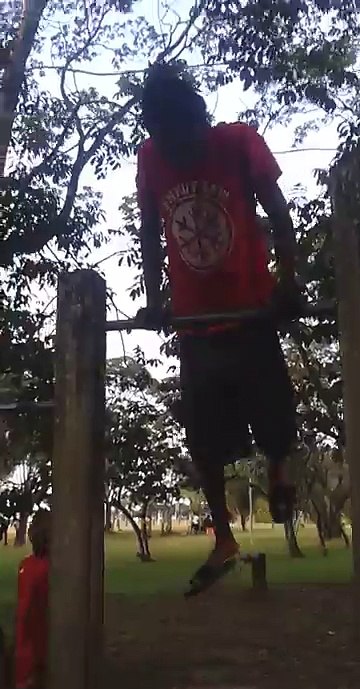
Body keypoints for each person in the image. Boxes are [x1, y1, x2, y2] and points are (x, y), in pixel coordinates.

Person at [137, 64, 302, 592]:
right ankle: (224, 539)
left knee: (274, 416)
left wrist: (289, 281)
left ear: (197, 123)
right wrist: (156, 300)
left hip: (251, 312)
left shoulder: (236, 143)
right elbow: (149, 232)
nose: (173, 149)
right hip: (196, 325)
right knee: (203, 441)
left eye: (179, 138)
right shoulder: (150, 158)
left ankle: (279, 473)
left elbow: (279, 214)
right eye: (163, 139)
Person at [15, 509, 50, 689]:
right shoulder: (47, 568)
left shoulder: (28, 567)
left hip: (33, 652)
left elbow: (25, 612)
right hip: (39, 652)